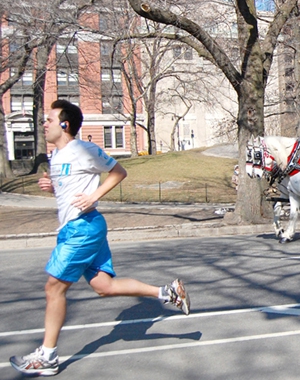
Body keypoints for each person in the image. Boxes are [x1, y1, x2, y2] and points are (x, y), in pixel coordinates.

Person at [10, 100, 190, 377]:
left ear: (65, 125)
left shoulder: (84, 150)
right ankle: (167, 292)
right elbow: (70, 189)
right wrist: (52, 188)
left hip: (82, 229)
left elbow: (119, 172)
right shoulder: (56, 156)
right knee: (104, 286)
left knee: (53, 289)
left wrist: (94, 196)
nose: (44, 124)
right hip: (78, 228)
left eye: (49, 119)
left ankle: (48, 356)